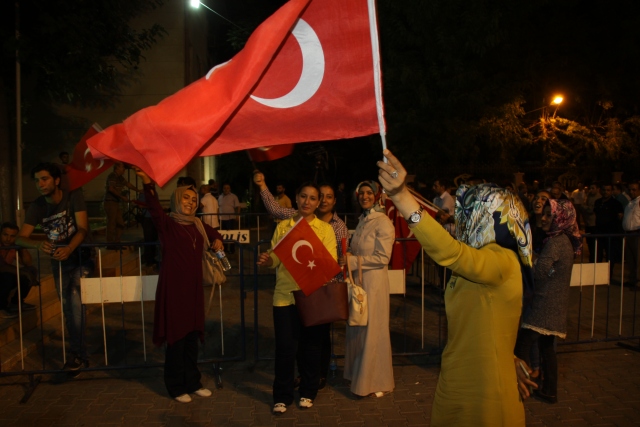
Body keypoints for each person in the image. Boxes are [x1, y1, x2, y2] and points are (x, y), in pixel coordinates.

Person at [377, 149, 534, 426]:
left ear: (489, 217)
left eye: (469, 212)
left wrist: (401, 196)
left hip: (484, 389)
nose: (462, 220)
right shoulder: (484, 258)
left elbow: (450, 252)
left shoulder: (503, 260)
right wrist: (507, 356)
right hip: (456, 377)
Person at [134, 167, 224, 403]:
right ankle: (175, 387)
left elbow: (216, 234)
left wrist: (217, 241)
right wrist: (147, 182)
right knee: (177, 339)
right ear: (176, 199)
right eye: (186, 198)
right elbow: (153, 206)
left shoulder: (197, 225)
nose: (190, 203)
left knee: (192, 338)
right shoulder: (168, 224)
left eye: (194, 200)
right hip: (174, 292)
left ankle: (193, 383)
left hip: (193, 292)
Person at [254, 172, 348, 389]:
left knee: (312, 346)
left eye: (313, 198)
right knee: (286, 348)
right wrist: (268, 260)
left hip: (313, 296)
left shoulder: (328, 229)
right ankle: (282, 395)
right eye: (304, 196)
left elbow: (329, 263)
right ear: (296, 198)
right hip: (285, 296)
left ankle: (309, 388)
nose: (307, 201)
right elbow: (275, 256)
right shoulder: (284, 225)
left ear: (319, 202)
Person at [16, 162, 94, 371]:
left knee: (75, 300)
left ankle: (76, 355)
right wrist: (37, 244)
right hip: (59, 263)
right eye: (36, 181)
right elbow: (20, 238)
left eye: (44, 179)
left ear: (56, 180)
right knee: (69, 309)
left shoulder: (73, 196)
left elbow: (83, 228)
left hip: (81, 259)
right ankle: (80, 355)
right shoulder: (37, 206)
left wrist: (69, 248)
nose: (40, 184)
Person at [515, 199, 582, 404]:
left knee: (521, 346)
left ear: (560, 218)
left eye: (548, 215)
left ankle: (519, 385)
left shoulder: (555, 242)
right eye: (543, 214)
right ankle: (549, 390)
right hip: (554, 304)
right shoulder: (562, 240)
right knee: (546, 348)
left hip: (544, 305)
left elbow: (540, 272)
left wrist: (530, 267)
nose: (543, 218)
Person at [343, 180, 395, 398]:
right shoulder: (363, 220)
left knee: (374, 330)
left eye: (369, 193)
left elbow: (383, 258)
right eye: (361, 193)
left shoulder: (383, 222)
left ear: (377, 195)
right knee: (359, 327)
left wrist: (353, 261)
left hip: (374, 283)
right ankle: (359, 375)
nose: (365, 196)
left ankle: (377, 380)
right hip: (361, 282)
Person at [0, 222, 38, 318]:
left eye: (12, 236)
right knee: (7, 276)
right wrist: (24, 273)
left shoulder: (13, 246)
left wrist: (22, 247)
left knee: (31, 270)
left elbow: (28, 263)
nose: (8, 239)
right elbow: (2, 266)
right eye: (5, 235)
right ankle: (1, 308)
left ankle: (16, 303)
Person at [104, 162, 141, 248]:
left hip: (115, 202)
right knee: (112, 222)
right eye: (122, 167)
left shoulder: (120, 177)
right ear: (117, 167)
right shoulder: (112, 176)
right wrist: (121, 197)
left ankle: (116, 242)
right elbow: (111, 189)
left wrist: (138, 190)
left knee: (120, 222)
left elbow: (128, 184)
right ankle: (110, 243)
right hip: (110, 201)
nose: (124, 169)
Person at [622, 181, 640, 288]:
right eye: (630, 189)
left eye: (634, 189)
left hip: (637, 233)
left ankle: (638, 281)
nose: (631, 192)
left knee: (638, 259)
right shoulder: (630, 203)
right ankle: (632, 279)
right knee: (630, 258)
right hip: (629, 234)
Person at [218, 184, 240, 253]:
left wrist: (237, 216)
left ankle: (232, 249)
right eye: (224, 188)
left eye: (227, 188)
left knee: (231, 234)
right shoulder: (220, 197)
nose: (226, 189)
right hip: (221, 219)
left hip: (230, 218)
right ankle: (224, 249)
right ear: (223, 189)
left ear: (230, 189)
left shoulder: (233, 196)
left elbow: (238, 206)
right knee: (223, 235)